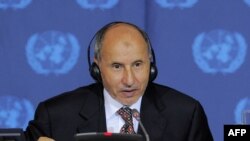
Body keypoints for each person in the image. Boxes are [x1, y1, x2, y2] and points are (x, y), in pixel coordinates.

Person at [24, 21, 213, 141]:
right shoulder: (55, 116)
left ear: (151, 64)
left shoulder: (185, 114)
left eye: (138, 64)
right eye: (117, 66)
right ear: (96, 68)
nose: (129, 80)